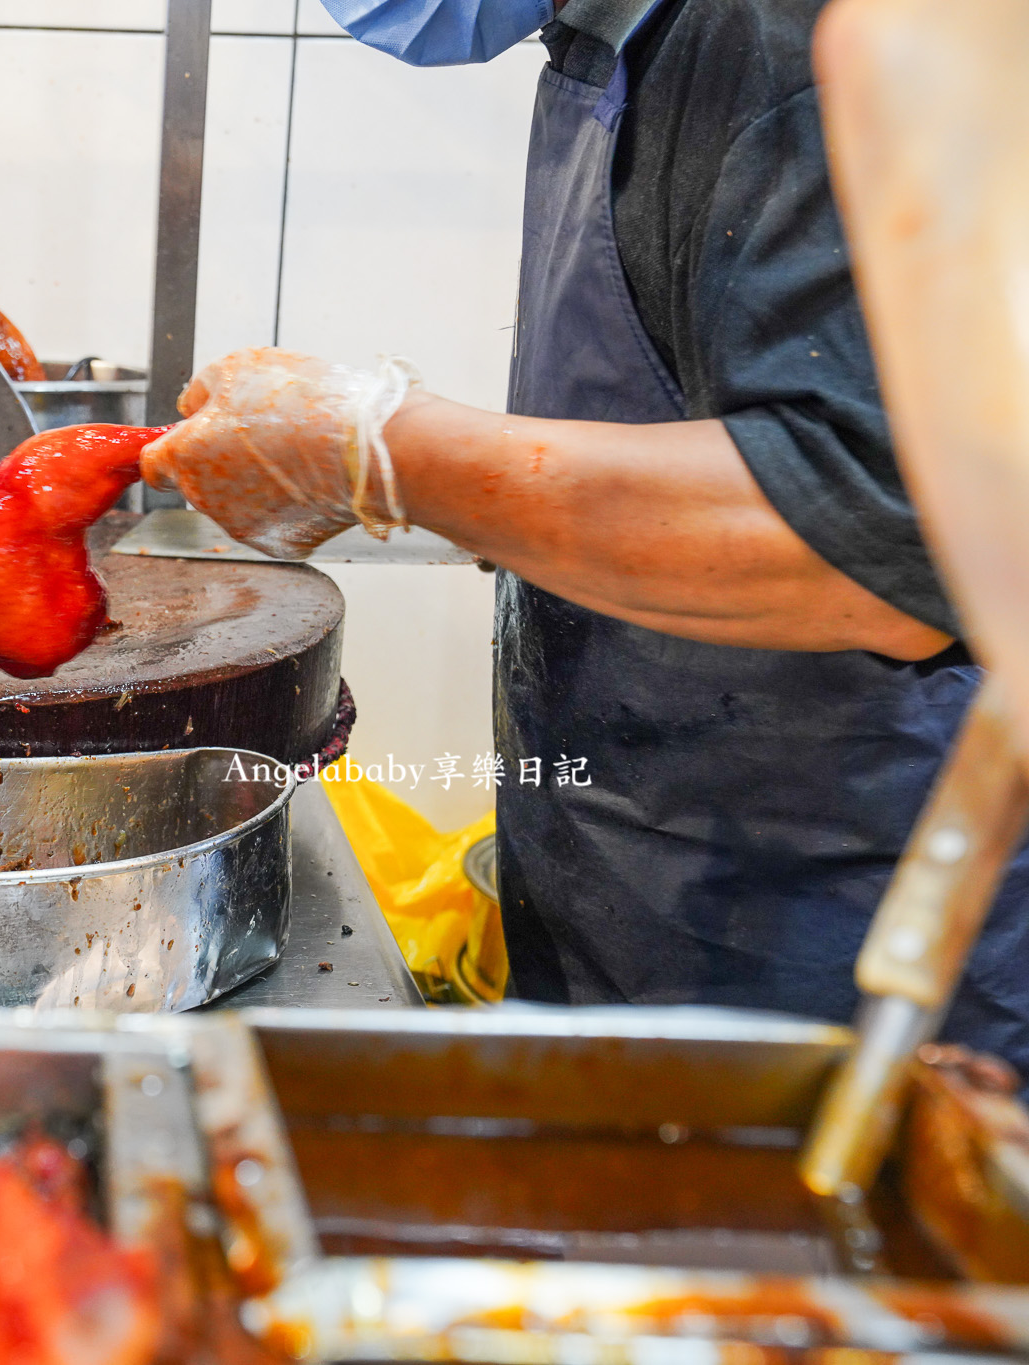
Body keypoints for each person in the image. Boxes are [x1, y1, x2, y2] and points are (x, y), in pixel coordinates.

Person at [140, 0, 1029, 1072]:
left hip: (835, 923)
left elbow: (869, 545)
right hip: (623, 870)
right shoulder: (611, 38)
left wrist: (384, 454)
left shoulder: (778, 39)